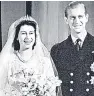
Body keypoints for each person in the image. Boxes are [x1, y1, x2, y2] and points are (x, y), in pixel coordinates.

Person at [0, 16, 61, 96]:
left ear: (35, 36)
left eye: (31, 33)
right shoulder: (8, 60)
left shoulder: (44, 62)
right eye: (23, 33)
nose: (28, 37)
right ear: (17, 37)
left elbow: (52, 91)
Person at [51, 1, 94, 96]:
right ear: (66, 20)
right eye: (72, 17)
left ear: (86, 18)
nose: (77, 21)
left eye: (80, 16)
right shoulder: (57, 50)